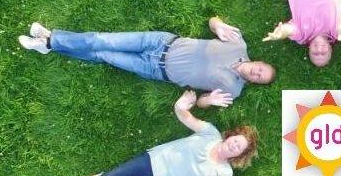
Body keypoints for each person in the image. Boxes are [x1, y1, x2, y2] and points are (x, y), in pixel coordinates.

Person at [45, 90, 256, 176]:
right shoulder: (210, 132)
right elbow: (184, 115)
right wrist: (180, 105)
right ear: (230, 136)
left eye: (239, 148)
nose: (234, 145)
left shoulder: (225, 174)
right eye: (236, 140)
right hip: (153, 162)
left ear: (238, 156)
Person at [18, 16, 274, 107]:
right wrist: (218, 26)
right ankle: (50, 40)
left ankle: (49, 41)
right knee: (102, 40)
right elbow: (213, 19)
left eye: (259, 77)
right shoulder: (238, 43)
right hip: (160, 42)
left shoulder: (234, 89)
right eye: (261, 69)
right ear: (259, 61)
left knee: (102, 55)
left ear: (255, 83)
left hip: (154, 70)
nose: (256, 72)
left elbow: (203, 102)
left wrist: (209, 101)